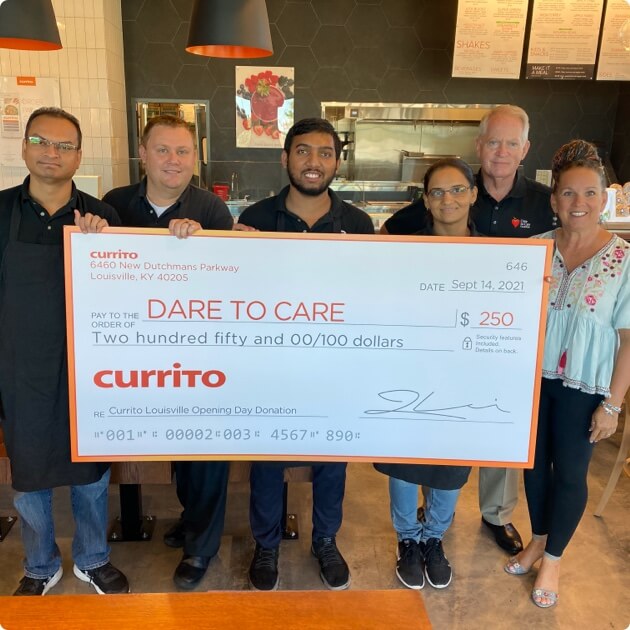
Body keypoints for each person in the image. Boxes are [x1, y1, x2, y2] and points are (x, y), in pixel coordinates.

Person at [381, 104, 556, 555]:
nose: (501, 151)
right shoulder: (416, 221)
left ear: (525, 149)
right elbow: (378, 245)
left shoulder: (542, 202)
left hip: (495, 348)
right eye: (493, 142)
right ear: (479, 148)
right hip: (422, 359)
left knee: (484, 437)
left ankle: (489, 517)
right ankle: (410, 533)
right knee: (415, 444)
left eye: (511, 143)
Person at [238, 118, 374, 591]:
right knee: (267, 460)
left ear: (336, 162)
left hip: (333, 366)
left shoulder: (358, 224)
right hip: (270, 366)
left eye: (323, 153)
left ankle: (326, 540)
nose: (313, 162)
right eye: (302, 152)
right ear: (285, 158)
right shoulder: (254, 219)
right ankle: (267, 544)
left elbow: (370, 295)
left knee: (332, 458)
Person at [0, 107, 129, 596]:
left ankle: (93, 558)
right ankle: (39, 564)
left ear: (79, 154)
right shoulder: (0, 212)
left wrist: (102, 244)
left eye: (64, 145)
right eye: (42, 141)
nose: (52, 152)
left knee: (90, 472)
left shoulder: (102, 215)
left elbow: (123, 294)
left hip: (87, 368)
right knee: (29, 476)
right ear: (25, 147)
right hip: (19, 368)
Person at [103, 114, 234, 590]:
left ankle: (201, 549)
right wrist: (93, 232)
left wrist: (199, 247)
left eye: (182, 152)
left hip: (199, 355)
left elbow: (226, 281)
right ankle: (191, 517)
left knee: (205, 453)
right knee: (176, 451)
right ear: (143, 154)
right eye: (163, 150)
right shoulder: (115, 205)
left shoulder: (212, 211)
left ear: (194, 158)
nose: (173, 161)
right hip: (137, 355)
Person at [504, 140, 630, 608]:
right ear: (554, 199)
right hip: (532, 381)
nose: (580, 203)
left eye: (590, 193)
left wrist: (612, 405)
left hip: (585, 387)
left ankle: (553, 558)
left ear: (604, 198)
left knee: (572, 473)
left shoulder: (623, 259)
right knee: (534, 465)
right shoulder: (534, 250)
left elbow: (628, 339)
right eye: (569, 194)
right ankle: (537, 538)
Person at [375, 158, 479, 590]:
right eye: (437, 192)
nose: (448, 199)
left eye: (457, 190)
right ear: (426, 200)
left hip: (465, 380)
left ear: (474, 194)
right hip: (407, 375)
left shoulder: (503, 254)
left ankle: (434, 537)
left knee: (451, 463)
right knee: (405, 460)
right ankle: (408, 540)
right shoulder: (405, 249)